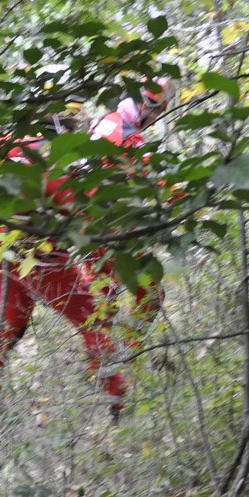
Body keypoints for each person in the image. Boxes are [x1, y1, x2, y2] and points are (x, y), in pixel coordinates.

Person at [0, 116, 129, 419]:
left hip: (5, 252)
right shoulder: (56, 162)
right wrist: (108, 285)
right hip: (39, 259)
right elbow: (85, 223)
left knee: (6, 327)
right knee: (92, 320)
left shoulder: (6, 146)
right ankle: (116, 399)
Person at [87, 80, 171, 337]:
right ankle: (126, 352)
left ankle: (106, 362)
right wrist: (181, 195)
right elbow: (149, 174)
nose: (156, 119)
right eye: (157, 113)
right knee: (151, 292)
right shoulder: (122, 131)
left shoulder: (108, 121)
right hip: (110, 224)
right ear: (147, 107)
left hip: (89, 226)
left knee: (101, 302)